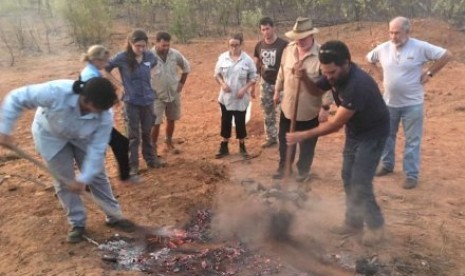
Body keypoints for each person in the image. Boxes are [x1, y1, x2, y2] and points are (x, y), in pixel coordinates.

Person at [0, 77, 135, 243]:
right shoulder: (56, 92)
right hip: (51, 135)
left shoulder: (104, 114)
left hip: (84, 136)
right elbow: (16, 97)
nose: (99, 114)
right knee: (64, 181)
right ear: (85, 99)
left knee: (97, 175)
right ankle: (77, 223)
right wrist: (4, 129)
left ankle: (114, 216)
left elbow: (97, 149)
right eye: (96, 109)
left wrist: (83, 179)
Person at [287, 40, 389, 246]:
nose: (328, 77)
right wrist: (305, 77)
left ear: (346, 64)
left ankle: (376, 228)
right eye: (325, 72)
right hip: (355, 131)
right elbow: (316, 91)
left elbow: (335, 125)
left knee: (360, 181)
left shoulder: (357, 85)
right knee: (347, 177)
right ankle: (353, 222)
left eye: (332, 72)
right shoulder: (332, 74)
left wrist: (302, 135)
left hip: (373, 134)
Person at [366, 16, 452, 189]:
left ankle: (411, 174)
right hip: (389, 103)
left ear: (407, 31)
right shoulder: (383, 48)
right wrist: (378, 75)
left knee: (412, 140)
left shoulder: (420, 47)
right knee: (386, 135)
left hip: (413, 104)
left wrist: (429, 73)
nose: (393, 36)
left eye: (397, 33)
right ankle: (387, 164)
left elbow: (446, 55)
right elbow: (369, 58)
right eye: (390, 32)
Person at [272, 17, 332, 182]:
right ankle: (285, 167)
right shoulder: (289, 50)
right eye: (297, 38)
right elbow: (282, 72)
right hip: (288, 107)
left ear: (312, 35)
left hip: (309, 110)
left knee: (307, 146)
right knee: (285, 143)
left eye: (304, 38)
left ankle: (303, 171)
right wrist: (277, 90)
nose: (300, 41)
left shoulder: (321, 55)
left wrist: (325, 107)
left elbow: (328, 83)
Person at [106, 29, 164, 177]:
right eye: (137, 46)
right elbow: (106, 69)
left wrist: (149, 77)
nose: (141, 49)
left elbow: (155, 64)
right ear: (131, 43)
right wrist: (119, 85)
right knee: (133, 135)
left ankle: (151, 160)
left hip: (147, 100)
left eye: (143, 46)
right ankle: (133, 166)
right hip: (131, 101)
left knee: (146, 132)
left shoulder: (149, 56)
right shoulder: (122, 57)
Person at [81, 45, 136, 183]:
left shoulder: (93, 72)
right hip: (94, 120)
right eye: (104, 61)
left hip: (97, 118)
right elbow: (94, 101)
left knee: (119, 144)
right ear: (96, 60)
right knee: (110, 146)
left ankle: (124, 175)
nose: (106, 64)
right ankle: (91, 181)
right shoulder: (90, 75)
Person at [214, 33, 257, 159]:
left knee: (240, 122)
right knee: (225, 121)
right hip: (225, 97)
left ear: (241, 44)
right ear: (228, 45)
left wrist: (244, 89)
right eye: (231, 45)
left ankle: (242, 147)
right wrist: (222, 84)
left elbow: (254, 77)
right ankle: (224, 146)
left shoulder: (247, 60)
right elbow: (217, 74)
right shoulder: (222, 58)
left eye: (236, 45)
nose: (233, 48)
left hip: (241, 98)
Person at [150, 31, 190, 155]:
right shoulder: (149, 56)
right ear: (156, 43)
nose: (166, 48)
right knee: (155, 123)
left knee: (171, 119)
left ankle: (168, 142)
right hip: (156, 95)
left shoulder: (175, 54)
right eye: (163, 45)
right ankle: (152, 147)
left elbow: (186, 67)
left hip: (173, 93)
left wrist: (181, 84)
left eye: (168, 45)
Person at [252, 17, 288, 148]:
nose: (265, 32)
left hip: (282, 84)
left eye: (267, 28)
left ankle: (285, 139)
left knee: (285, 112)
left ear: (273, 28)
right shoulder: (259, 45)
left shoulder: (284, 45)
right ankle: (271, 137)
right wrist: (253, 82)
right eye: (263, 29)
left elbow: (287, 64)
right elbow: (256, 65)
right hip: (265, 83)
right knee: (268, 111)